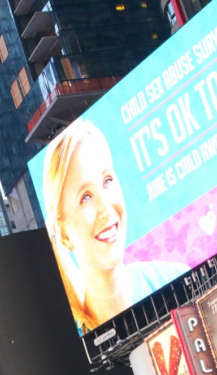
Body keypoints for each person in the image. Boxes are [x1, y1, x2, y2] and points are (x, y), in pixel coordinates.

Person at [40, 118, 184, 331]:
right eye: (85, 197)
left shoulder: (176, 281)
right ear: (64, 233)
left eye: (107, 181)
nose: (106, 209)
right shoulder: (71, 342)